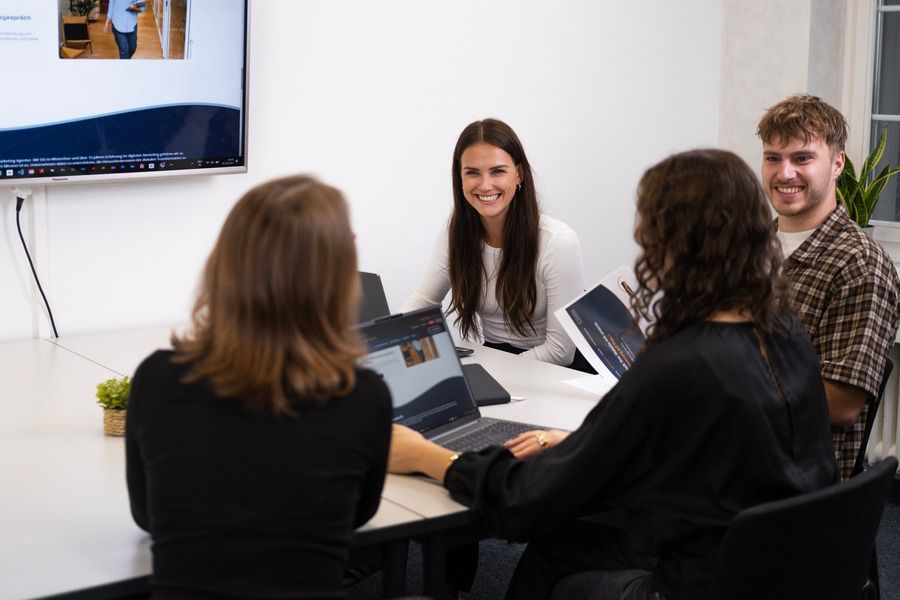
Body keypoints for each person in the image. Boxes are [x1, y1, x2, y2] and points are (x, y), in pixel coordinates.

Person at [389, 149, 837, 600]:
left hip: (694, 586)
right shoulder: (785, 335)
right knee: (565, 546)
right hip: (782, 573)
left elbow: (523, 502)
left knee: (558, 554)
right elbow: (712, 447)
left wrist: (426, 456)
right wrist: (591, 446)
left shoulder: (676, 365)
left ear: (667, 242)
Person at [125, 176, 393, 598]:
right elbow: (358, 515)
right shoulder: (362, 396)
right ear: (335, 279)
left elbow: (147, 516)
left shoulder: (157, 380)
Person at [757, 94, 900, 480]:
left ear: (837, 164)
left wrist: (723, 375)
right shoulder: (752, 249)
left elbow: (840, 404)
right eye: (773, 158)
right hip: (734, 443)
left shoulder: (860, 265)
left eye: (802, 158)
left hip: (792, 477)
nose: (784, 173)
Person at [402, 118, 589, 370]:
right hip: (497, 359)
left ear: (519, 174)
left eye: (498, 171)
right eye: (472, 173)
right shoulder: (455, 231)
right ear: (460, 178)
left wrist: (491, 371)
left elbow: (560, 350)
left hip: (556, 370)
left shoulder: (557, 241)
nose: (485, 185)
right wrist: (384, 345)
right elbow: (422, 302)